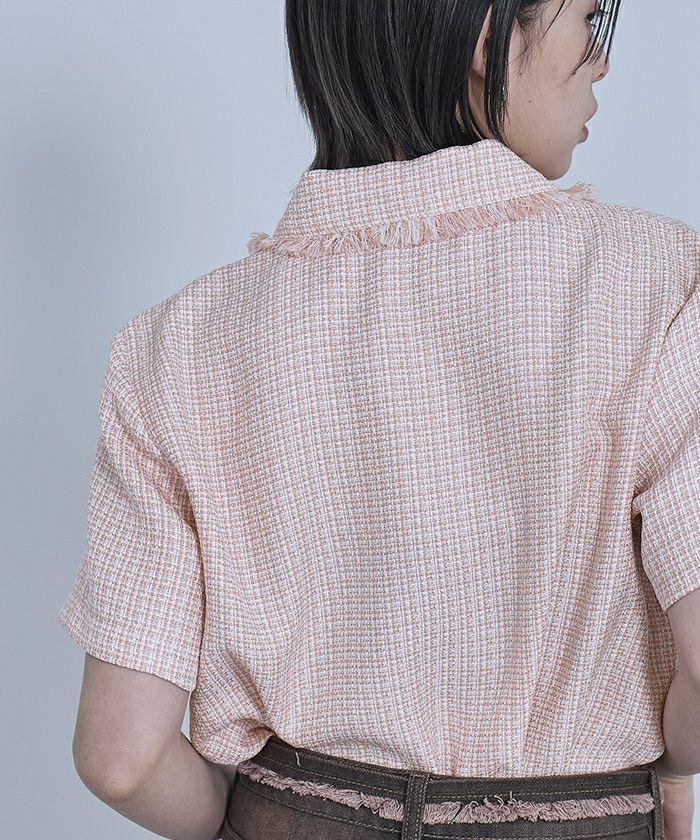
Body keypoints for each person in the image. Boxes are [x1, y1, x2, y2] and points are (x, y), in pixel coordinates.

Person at [57, 1, 699, 839]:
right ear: (486, 37)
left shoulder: (177, 344)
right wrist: (666, 766)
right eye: (587, 18)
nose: (600, 61)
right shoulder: (660, 285)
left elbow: (122, 756)